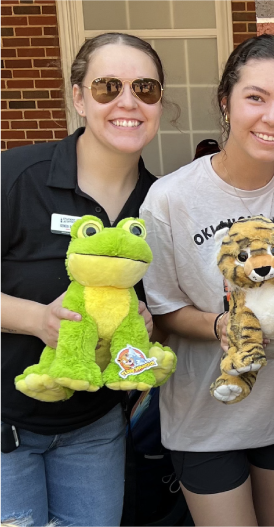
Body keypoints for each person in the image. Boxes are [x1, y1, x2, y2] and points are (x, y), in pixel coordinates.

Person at [140, 34, 274, 526]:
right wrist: (217, 325)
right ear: (225, 101)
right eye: (256, 98)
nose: (273, 118)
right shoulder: (170, 199)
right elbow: (163, 308)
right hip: (203, 416)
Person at [1, 33, 166, 526]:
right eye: (107, 86)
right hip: (6, 424)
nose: (128, 102)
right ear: (78, 96)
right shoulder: (16, 176)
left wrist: (147, 323)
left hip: (95, 428)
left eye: (146, 89)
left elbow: (159, 307)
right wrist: (37, 319)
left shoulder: (158, 205)